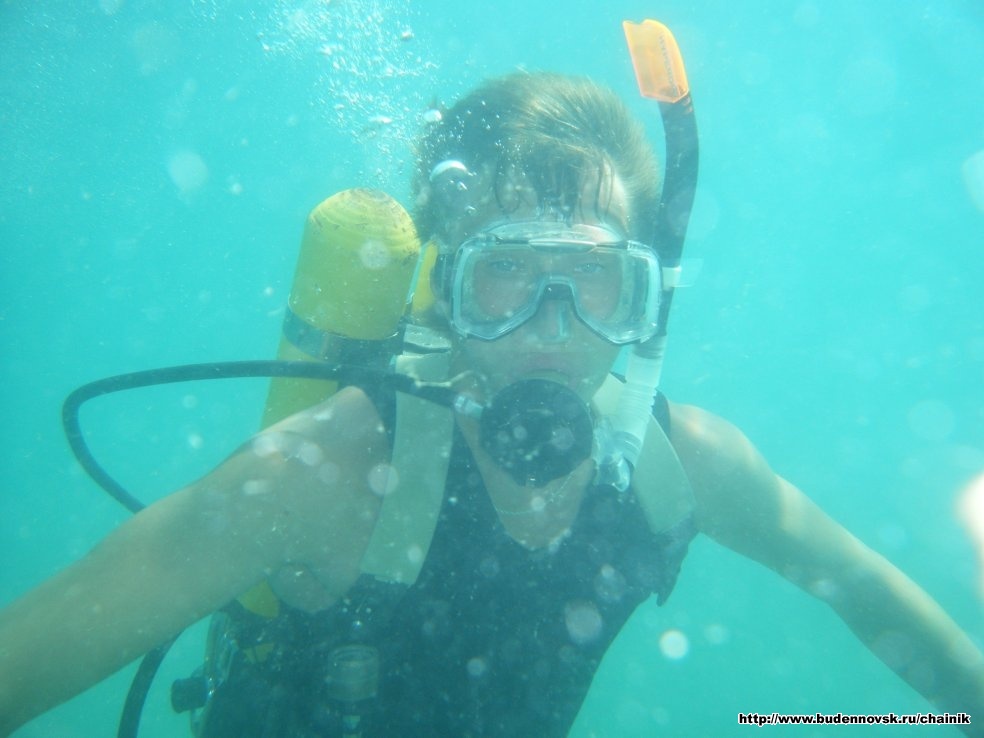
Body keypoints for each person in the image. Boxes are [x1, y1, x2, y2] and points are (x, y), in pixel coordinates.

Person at [1, 71, 983, 738]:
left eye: (592, 278)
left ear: (645, 300)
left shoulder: (684, 466)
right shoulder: (324, 473)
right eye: (505, 272)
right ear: (445, 289)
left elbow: (876, 600)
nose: (550, 323)